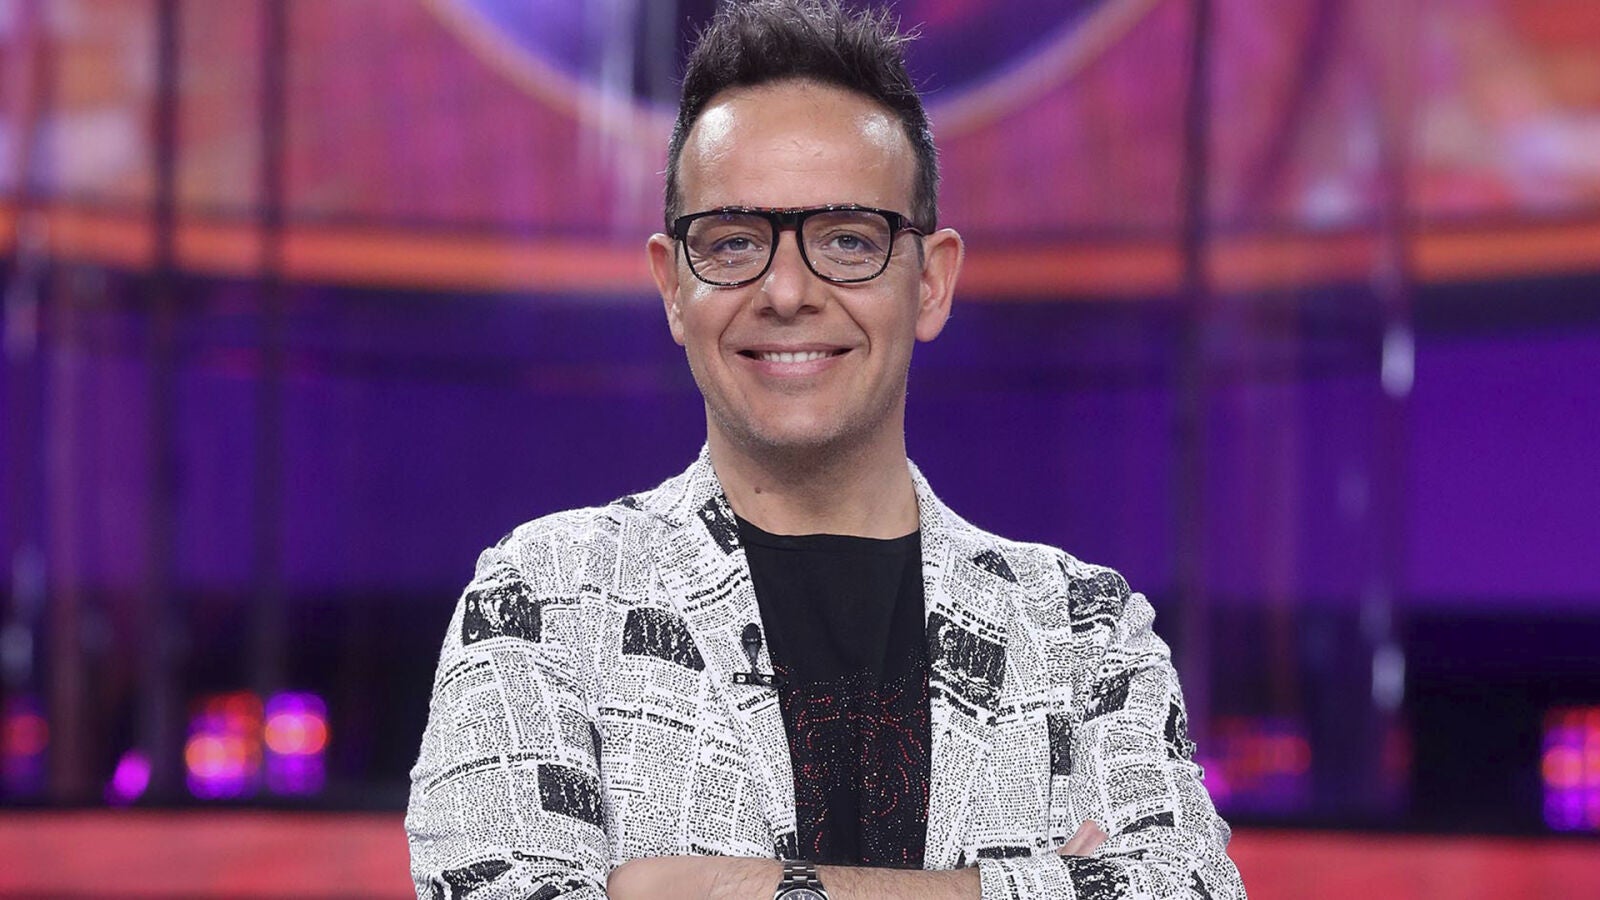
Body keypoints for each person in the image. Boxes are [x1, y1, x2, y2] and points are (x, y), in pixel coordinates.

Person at [406, 2, 1244, 898]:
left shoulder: (1082, 629)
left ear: (931, 282)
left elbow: (1187, 888)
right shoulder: (543, 600)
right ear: (673, 287)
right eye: (734, 242)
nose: (787, 291)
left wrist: (708, 890)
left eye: (848, 240)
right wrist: (1035, 886)